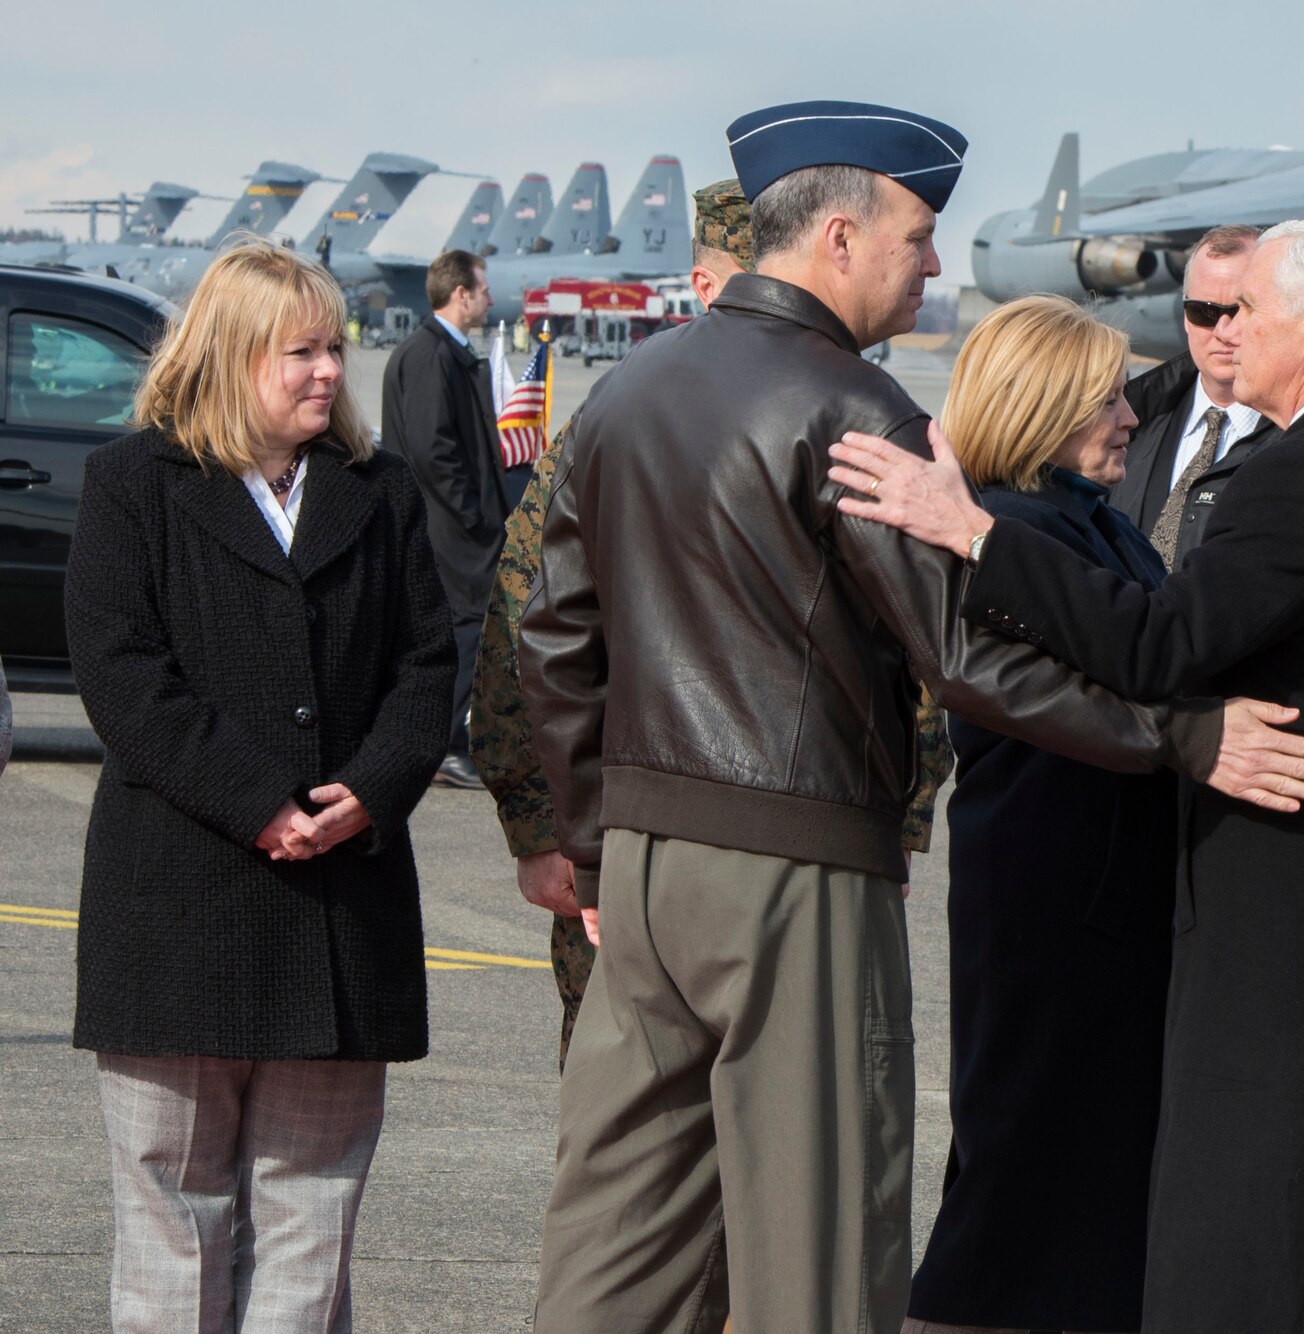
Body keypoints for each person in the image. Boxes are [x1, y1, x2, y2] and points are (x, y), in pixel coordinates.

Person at [519, 102, 1304, 1334]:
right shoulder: (851, 409)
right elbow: (962, 657)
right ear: (839, 236)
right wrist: (1182, 735)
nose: (933, 265)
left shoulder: (627, 391)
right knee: (820, 1243)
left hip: (640, 866)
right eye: (918, 235)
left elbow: (555, 640)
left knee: (620, 1240)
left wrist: (590, 840)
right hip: (792, 865)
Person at [832, 216, 1304, 1331]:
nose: (1223, 335)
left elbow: (1158, 643)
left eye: (1249, 311)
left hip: (1298, 907)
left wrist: (975, 530)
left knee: (1276, 1206)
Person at [470, 181, 956, 1068]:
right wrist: (544, 824)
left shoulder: (848, 416)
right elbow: (528, 621)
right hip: (643, 839)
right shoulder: (629, 412)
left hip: (723, 835)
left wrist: (904, 815)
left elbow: (906, 657)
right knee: (642, 1102)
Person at [62, 237, 455, 1331]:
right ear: (231, 357)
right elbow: (124, 677)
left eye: (336, 347)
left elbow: (428, 665)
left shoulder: (378, 493)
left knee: (311, 1226)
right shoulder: (133, 484)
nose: (331, 370)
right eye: (302, 352)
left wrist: (372, 787)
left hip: (341, 909)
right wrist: (261, 804)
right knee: (172, 1227)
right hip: (178, 908)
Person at [902, 297, 1174, 1334]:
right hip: (1052, 883)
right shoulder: (1007, 529)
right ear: (1046, 404)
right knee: (1023, 1146)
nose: (1126, 415)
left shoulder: (1081, 516)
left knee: (1075, 1150)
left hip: (1095, 878)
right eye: (1105, 395)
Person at [382, 248, 505, 790]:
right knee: (464, 632)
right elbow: (435, 451)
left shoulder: (443, 352)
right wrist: (474, 516)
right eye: (482, 289)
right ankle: (449, 746)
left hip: (451, 523)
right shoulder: (431, 355)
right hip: (451, 529)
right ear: (461, 294)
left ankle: (448, 742)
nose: (489, 298)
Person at [1111, 224, 1278, 568]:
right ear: (1185, 317)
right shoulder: (1132, 419)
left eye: (1240, 311)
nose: (1223, 332)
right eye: (1204, 312)